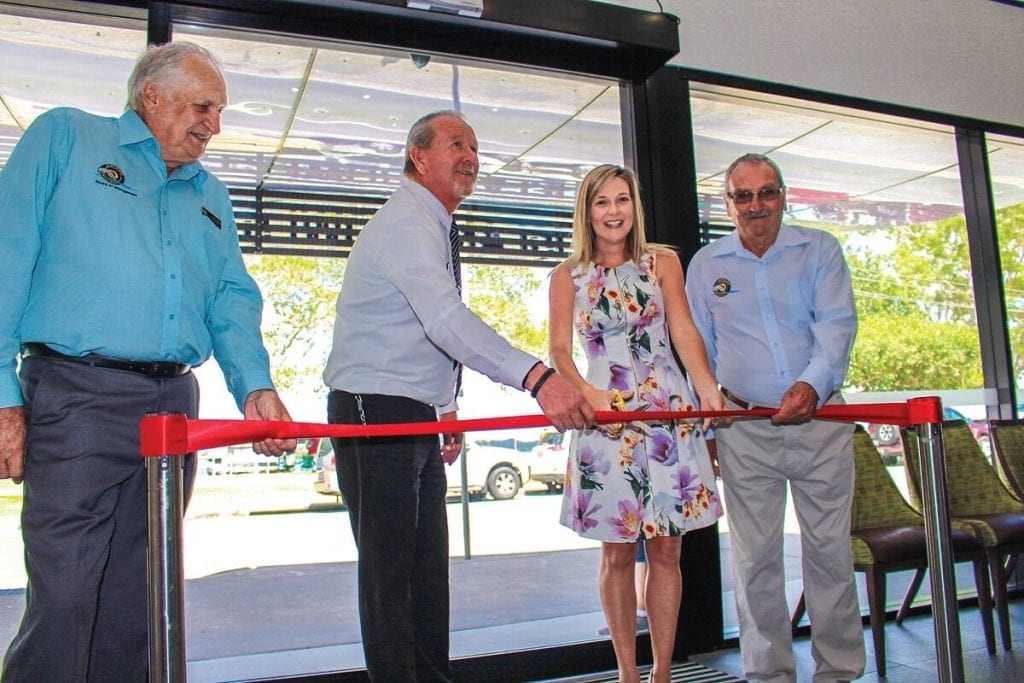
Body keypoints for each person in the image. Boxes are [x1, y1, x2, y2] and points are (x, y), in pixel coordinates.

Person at [0, 42, 295, 682]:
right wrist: (3, 396)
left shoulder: (209, 191)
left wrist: (256, 385)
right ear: (151, 96)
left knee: (142, 597)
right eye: (203, 107)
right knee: (67, 593)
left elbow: (231, 298)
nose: (213, 125)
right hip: (76, 396)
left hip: (172, 409)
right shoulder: (64, 139)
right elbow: (5, 257)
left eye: (218, 111)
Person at [323, 109, 592, 681]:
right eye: (456, 144)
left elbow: (421, 330)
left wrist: (444, 405)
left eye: (474, 147)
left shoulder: (433, 223)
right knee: (391, 577)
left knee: (426, 575)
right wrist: (539, 379)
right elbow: (446, 320)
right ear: (419, 156)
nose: (471, 156)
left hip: (413, 411)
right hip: (375, 410)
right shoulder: (405, 222)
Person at [685, 153, 864, 682]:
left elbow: (837, 327)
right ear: (728, 204)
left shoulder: (820, 251)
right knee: (754, 559)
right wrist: (709, 428)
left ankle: (839, 671)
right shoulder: (706, 265)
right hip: (743, 430)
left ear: (783, 196)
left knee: (829, 553)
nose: (755, 205)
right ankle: (769, 675)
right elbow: (700, 351)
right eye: (743, 196)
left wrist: (810, 384)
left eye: (767, 193)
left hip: (822, 423)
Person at [550, 164, 724, 683]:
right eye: (602, 202)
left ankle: (663, 671)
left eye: (622, 200)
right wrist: (586, 393)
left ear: (635, 207)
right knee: (618, 550)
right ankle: (628, 672)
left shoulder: (662, 263)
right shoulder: (568, 275)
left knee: (667, 547)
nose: (613, 212)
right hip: (603, 417)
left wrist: (706, 385)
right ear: (587, 211)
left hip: (667, 410)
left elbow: (684, 330)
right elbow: (559, 350)